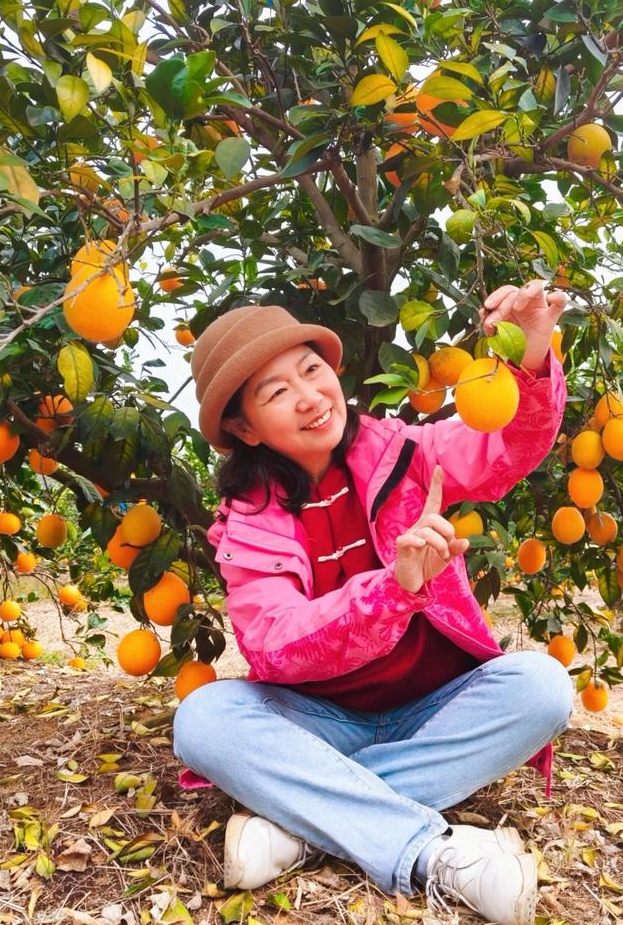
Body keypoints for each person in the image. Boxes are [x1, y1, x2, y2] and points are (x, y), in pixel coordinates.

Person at [173, 280, 573, 925]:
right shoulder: (247, 524)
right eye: (277, 393)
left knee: (542, 686)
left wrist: (529, 353)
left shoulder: (405, 451)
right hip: (318, 721)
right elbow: (276, 646)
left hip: (433, 709)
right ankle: (433, 855)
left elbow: (504, 452)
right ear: (244, 428)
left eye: (311, 371)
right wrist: (394, 588)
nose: (309, 398)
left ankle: (303, 822)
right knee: (205, 720)